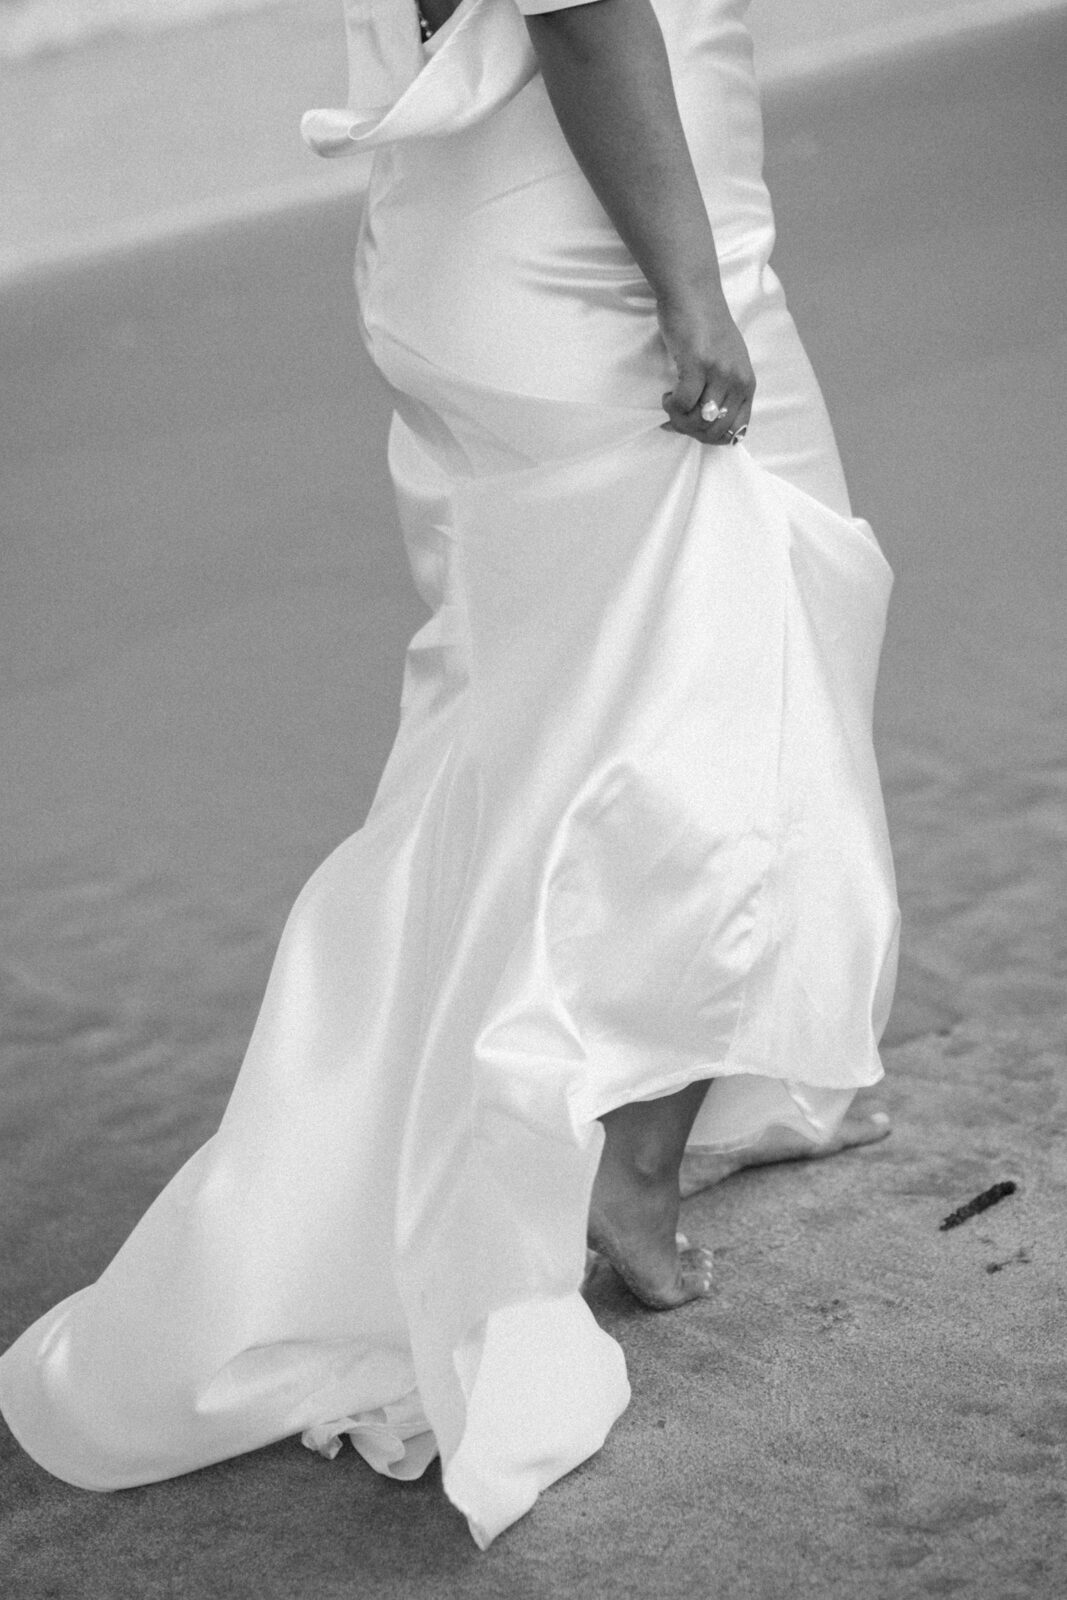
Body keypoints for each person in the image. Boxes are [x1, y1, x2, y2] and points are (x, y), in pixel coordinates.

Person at [0, 0, 899, 1550]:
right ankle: (619, 1160)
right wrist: (688, 292)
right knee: (720, 700)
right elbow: (588, 16)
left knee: (548, 727)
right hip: (601, 260)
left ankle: (540, 1122)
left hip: (498, 226)